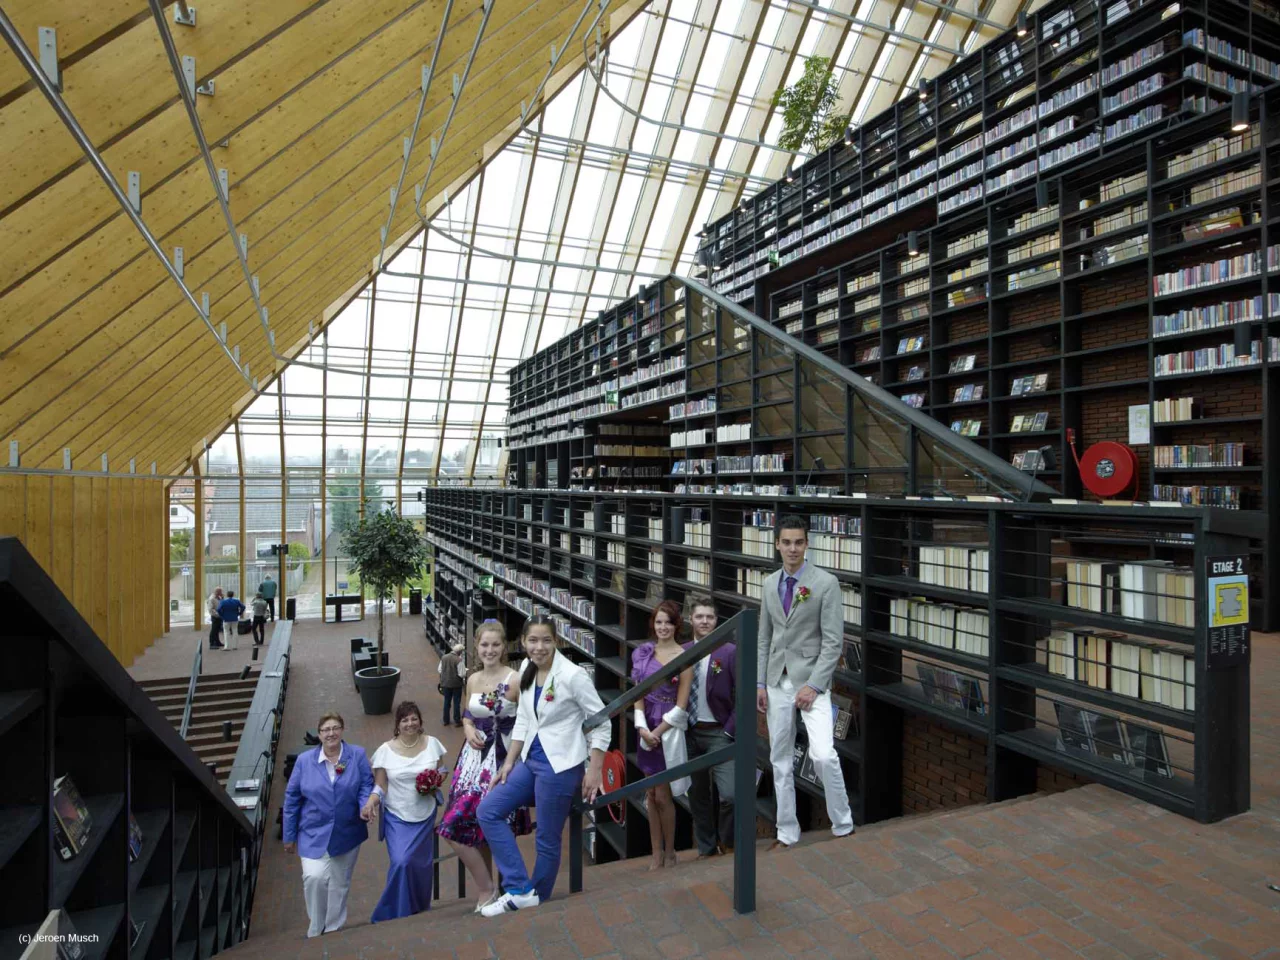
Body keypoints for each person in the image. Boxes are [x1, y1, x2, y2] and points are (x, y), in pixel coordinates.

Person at [476, 616, 609, 916]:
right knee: (488, 811)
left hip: (559, 766)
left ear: (556, 641)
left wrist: (595, 769)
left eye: (546, 640)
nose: (539, 647)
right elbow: (524, 719)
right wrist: (508, 763)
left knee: (547, 838)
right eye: (533, 640)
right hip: (529, 761)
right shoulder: (526, 669)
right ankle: (521, 889)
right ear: (522, 642)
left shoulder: (573, 676)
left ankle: (537, 902)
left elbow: (602, 722)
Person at [757, 515, 854, 850]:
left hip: (812, 683)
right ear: (777, 545)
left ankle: (842, 822)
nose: (792, 548)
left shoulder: (825, 583)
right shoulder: (769, 584)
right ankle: (787, 832)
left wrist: (814, 685)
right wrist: (760, 683)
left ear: (807, 544)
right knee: (779, 759)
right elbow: (764, 639)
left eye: (798, 542)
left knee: (824, 754)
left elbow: (832, 642)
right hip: (776, 681)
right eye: (786, 542)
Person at [437, 621, 532, 913]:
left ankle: (491, 890)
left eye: (495, 645)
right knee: (458, 825)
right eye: (484, 645)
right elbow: (467, 713)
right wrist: (466, 728)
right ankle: (488, 887)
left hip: (502, 759)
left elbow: (528, 722)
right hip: (472, 760)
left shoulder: (517, 679)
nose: (489, 650)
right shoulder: (473, 679)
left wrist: (514, 761)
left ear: (504, 647)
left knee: (489, 821)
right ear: (476, 647)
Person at [282, 712, 375, 937]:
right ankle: (316, 927)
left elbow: (366, 784)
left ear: (342, 730)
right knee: (314, 877)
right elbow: (292, 799)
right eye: (326, 729)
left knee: (339, 883)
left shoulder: (357, 755)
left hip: (347, 831)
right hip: (312, 831)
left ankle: (333, 927)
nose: (331, 733)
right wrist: (289, 835)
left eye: (335, 728)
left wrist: (365, 805)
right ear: (319, 734)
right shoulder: (305, 761)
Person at [363, 701, 448, 923]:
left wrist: (435, 780)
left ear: (420, 721)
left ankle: (419, 906)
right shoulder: (384, 751)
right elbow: (381, 785)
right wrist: (371, 802)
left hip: (425, 813)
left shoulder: (432, 744)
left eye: (413, 718)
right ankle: (392, 911)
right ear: (397, 725)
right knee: (401, 861)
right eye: (404, 720)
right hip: (397, 816)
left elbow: (442, 769)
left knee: (420, 864)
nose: (410, 723)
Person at [631, 600, 693, 870]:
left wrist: (656, 732)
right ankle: (655, 852)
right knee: (650, 794)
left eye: (668, 622)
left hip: (667, 730)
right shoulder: (643, 653)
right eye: (659, 622)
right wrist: (642, 728)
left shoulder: (684, 656)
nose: (663, 627)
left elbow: (682, 706)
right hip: (645, 726)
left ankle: (670, 851)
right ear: (653, 624)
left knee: (663, 795)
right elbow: (637, 696)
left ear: (676, 625)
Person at [683, 595, 737, 860]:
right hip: (690, 734)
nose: (705, 621)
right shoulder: (681, 652)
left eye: (710, 617)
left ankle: (727, 841)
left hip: (719, 732)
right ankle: (707, 849)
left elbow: (744, 693)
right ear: (690, 619)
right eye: (700, 616)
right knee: (698, 796)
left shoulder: (728, 652)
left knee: (730, 794)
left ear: (717, 621)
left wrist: (729, 730)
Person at [438, 643, 465, 727]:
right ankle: (457, 720)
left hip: (445, 683)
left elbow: (439, 670)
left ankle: (446, 720)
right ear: (460, 652)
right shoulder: (458, 660)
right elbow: (462, 674)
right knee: (456, 703)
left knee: (447, 702)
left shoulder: (444, 657)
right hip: (456, 684)